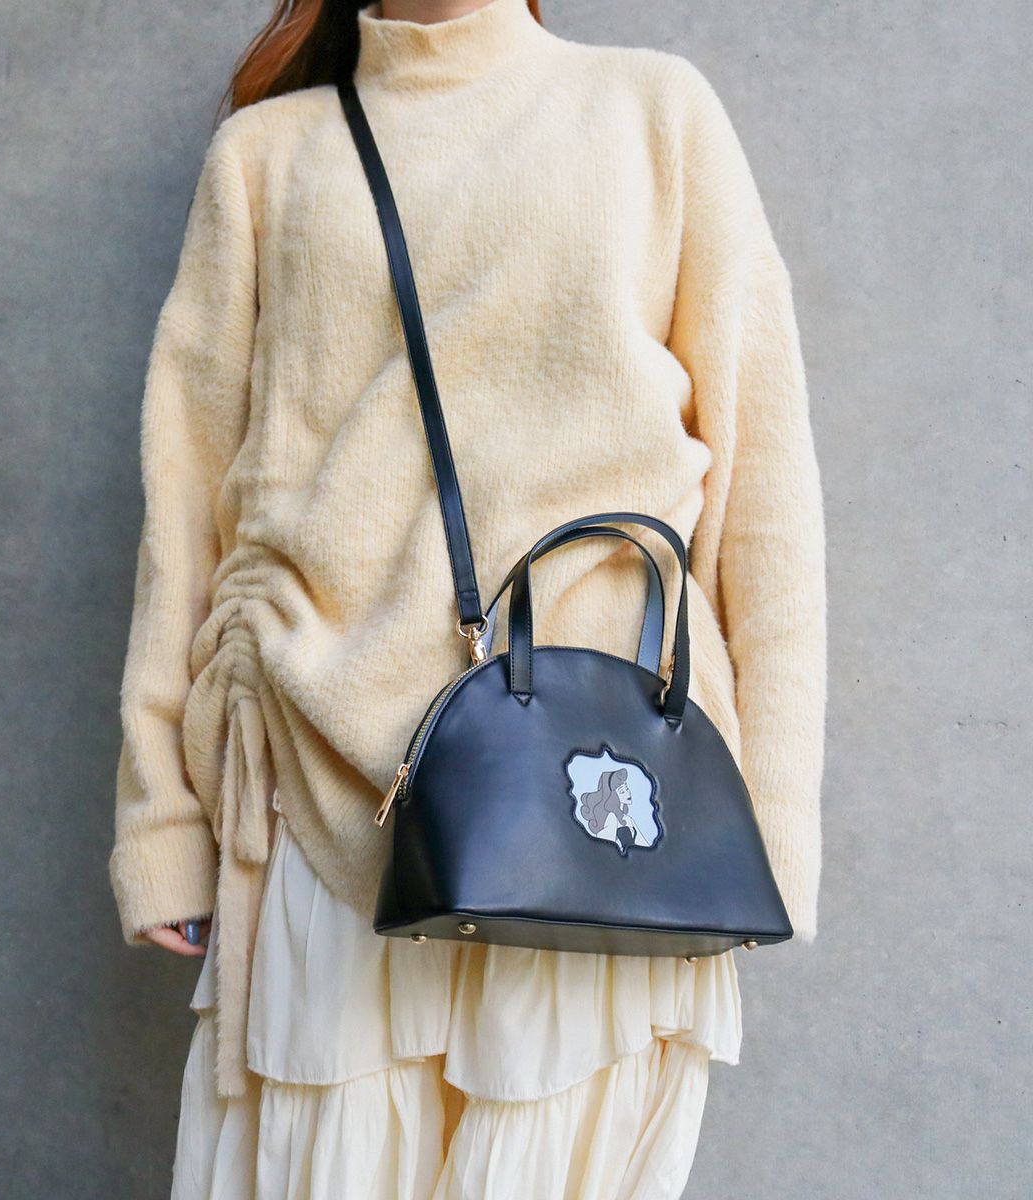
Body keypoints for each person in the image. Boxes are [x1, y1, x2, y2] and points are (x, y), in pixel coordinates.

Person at [108, 0, 829, 1196]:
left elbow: (765, 498)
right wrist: (162, 823)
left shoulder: (654, 113)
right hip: (320, 790)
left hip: (606, 806)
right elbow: (183, 507)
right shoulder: (268, 156)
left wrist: (773, 834)